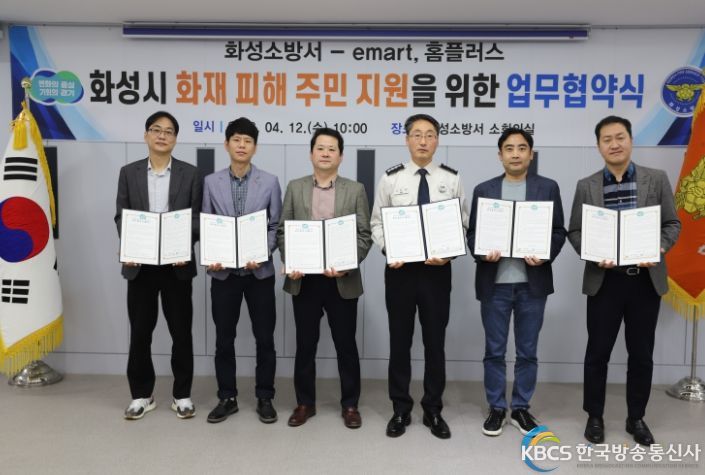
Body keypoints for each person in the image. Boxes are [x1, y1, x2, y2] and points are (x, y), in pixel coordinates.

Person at [568, 115, 680, 446]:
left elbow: (672, 224)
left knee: (641, 354)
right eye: (607, 139)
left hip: (644, 281)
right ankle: (595, 416)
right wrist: (592, 253)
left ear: (630, 140)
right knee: (597, 353)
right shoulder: (587, 185)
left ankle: (636, 418)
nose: (614, 144)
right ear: (598, 146)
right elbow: (575, 231)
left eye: (620, 137)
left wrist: (659, 248)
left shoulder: (656, 179)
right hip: (605, 281)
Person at [370, 113, 469, 439]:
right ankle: (400, 408)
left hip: (437, 272)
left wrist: (449, 254)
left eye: (429, 135)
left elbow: (462, 224)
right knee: (399, 342)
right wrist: (390, 250)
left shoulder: (451, 178)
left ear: (437, 140)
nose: (423, 141)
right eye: (417, 134)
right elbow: (376, 223)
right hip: (400, 272)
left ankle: (432, 409)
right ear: (407, 139)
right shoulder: (391, 178)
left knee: (434, 343)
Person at [466, 127, 566, 437]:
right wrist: (483, 253)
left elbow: (558, 231)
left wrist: (544, 255)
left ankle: (521, 407)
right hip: (494, 283)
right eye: (509, 148)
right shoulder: (484, 190)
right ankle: (496, 407)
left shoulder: (547, 188)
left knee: (527, 351)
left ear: (530, 154)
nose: (515, 154)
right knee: (494, 351)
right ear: (500, 155)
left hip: (531, 284)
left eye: (522, 148)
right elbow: (473, 234)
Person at [276, 127, 372, 429]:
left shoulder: (355, 189)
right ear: (311, 154)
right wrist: (291, 260)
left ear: (340, 156)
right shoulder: (295, 187)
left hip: (341, 279)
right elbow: (283, 231)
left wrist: (347, 264)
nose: (326, 153)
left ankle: (350, 405)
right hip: (304, 279)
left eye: (332, 149)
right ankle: (305, 403)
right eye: (320, 148)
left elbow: (364, 235)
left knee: (346, 345)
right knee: (305, 345)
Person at [115, 111, 202, 420]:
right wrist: (130, 247)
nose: (162, 135)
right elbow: (122, 215)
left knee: (181, 331)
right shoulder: (129, 172)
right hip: (141, 265)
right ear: (146, 135)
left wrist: (184, 246)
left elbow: (196, 218)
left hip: (177, 265)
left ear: (175, 139)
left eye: (168, 131)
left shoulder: (191, 174)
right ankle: (141, 394)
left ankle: (182, 395)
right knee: (140, 332)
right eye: (156, 130)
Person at [202, 118, 282, 424]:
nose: (241, 145)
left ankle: (265, 396)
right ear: (226, 144)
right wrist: (212, 256)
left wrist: (262, 253)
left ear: (255, 147)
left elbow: (275, 225)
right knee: (224, 339)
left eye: (248, 141)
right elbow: (207, 223)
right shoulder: (211, 182)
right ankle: (227, 397)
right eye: (236, 140)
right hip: (224, 275)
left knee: (265, 339)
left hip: (259, 274)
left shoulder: (270, 181)